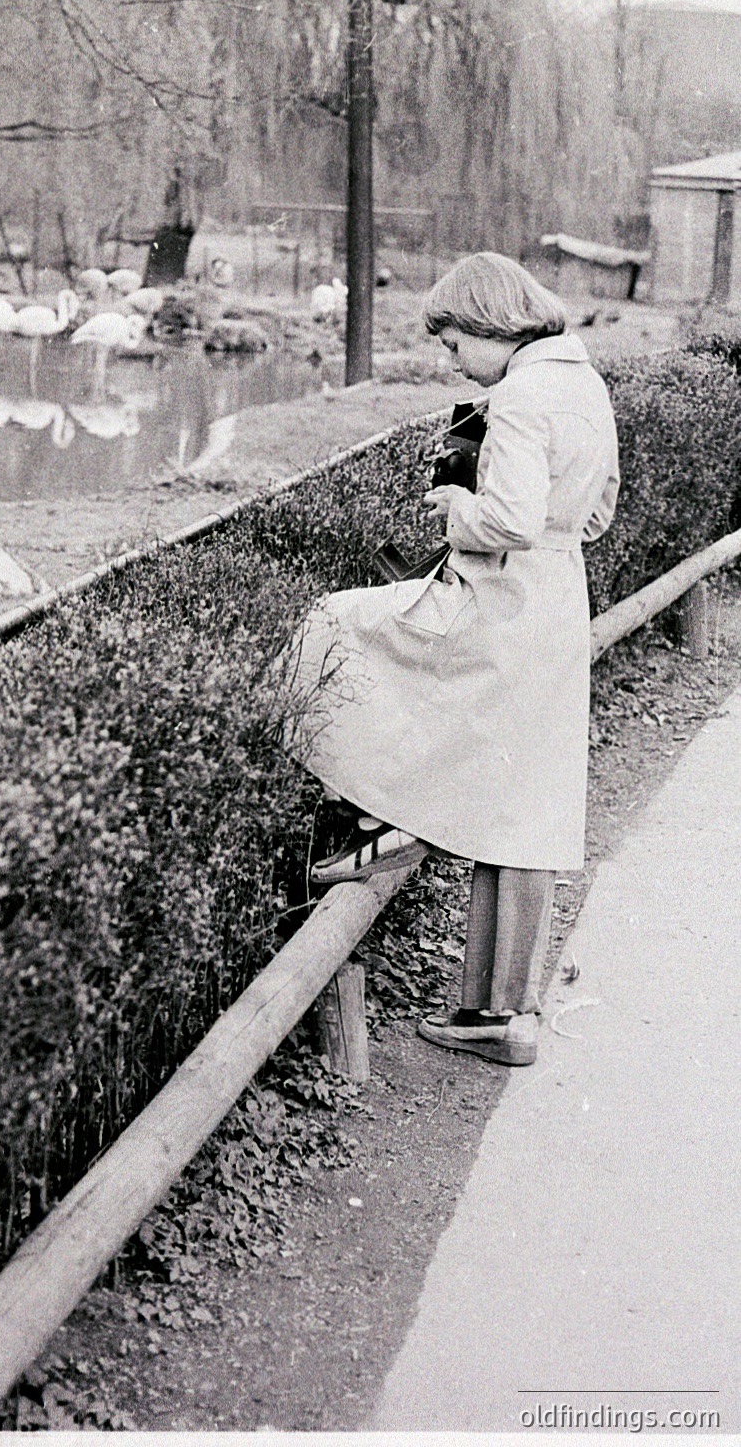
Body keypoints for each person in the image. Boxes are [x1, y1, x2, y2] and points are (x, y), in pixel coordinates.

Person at [287, 252, 620, 1067]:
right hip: (556, 598)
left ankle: (376, 815)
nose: (451, 362)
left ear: (490, 325)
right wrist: (546, 531)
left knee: (331, 626)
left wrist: (454, 506)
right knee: (527, 805)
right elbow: (601, 512)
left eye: (453, 345)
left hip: (495, 596)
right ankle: (500, 1015)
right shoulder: (584, 384)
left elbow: (504, 518)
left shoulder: (516, 398)